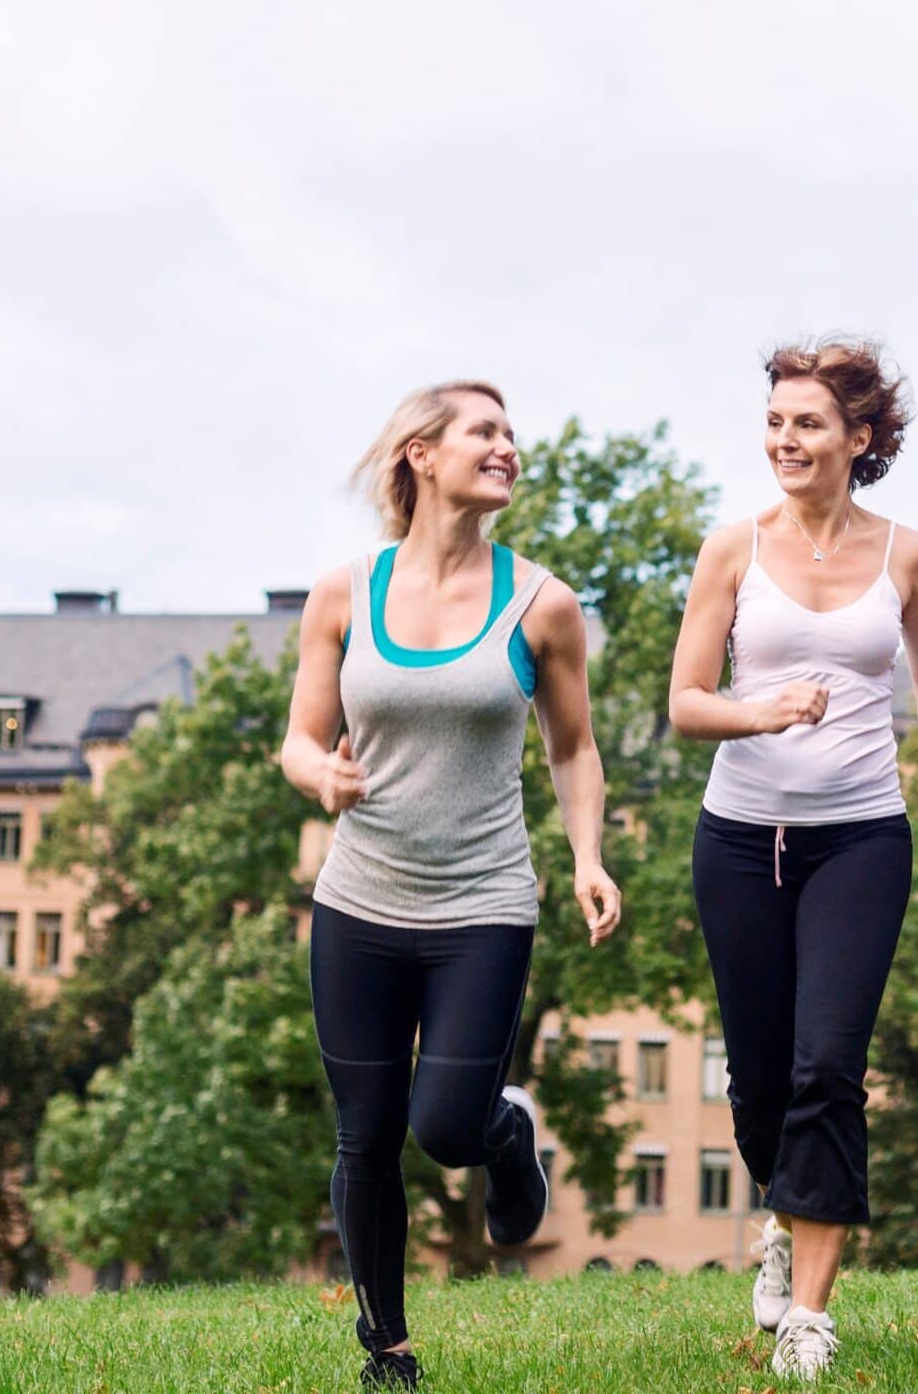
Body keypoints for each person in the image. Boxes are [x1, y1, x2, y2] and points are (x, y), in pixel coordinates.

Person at [280, 380, 622, 1391]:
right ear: (421, 454)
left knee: (444, 1127)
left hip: (483, 905)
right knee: (366, 1132)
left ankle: (506, 1133)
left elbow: (574, 749)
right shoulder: (344, 594)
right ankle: (386, 1349)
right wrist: (319, 774)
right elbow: (299, 739)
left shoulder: (541, 603)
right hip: (359, 902)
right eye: (485, 431)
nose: (507, 447)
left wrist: (587, 857)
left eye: (511, 433)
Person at [668, 340, 918, 1381]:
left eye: (807, 423)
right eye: (775, 423)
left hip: (860, 838)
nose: (785, 440)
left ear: (859, 437)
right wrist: (760, 714)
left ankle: (808, 1312)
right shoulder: (732, 550)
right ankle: (784, 1213)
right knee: (759, 1082)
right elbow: (686, 703)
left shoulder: (907, 555)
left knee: (828, 1068)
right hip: (738, 841)